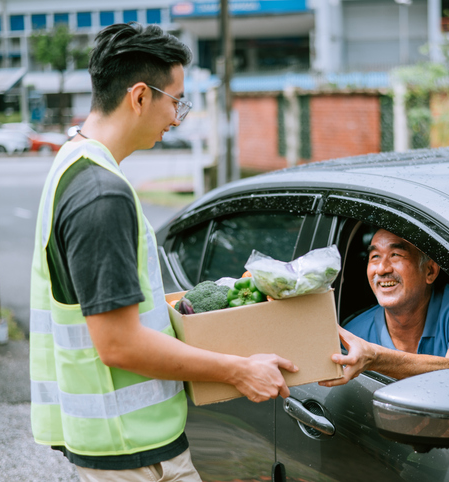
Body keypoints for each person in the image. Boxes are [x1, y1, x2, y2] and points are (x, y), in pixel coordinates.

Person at [29, 23, 297, 482]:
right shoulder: (101, 193)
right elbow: (118, 343)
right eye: (176, 101)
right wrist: (239, 370)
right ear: (139, 96)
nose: (177, 118)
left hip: (119, 440)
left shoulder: (72, 162)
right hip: (133, 450)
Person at [319, 228, 449, 388]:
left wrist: (375, 358)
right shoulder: (354, 335)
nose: (382, 269)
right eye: (375, 256)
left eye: (396, 255)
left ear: (430, 271)